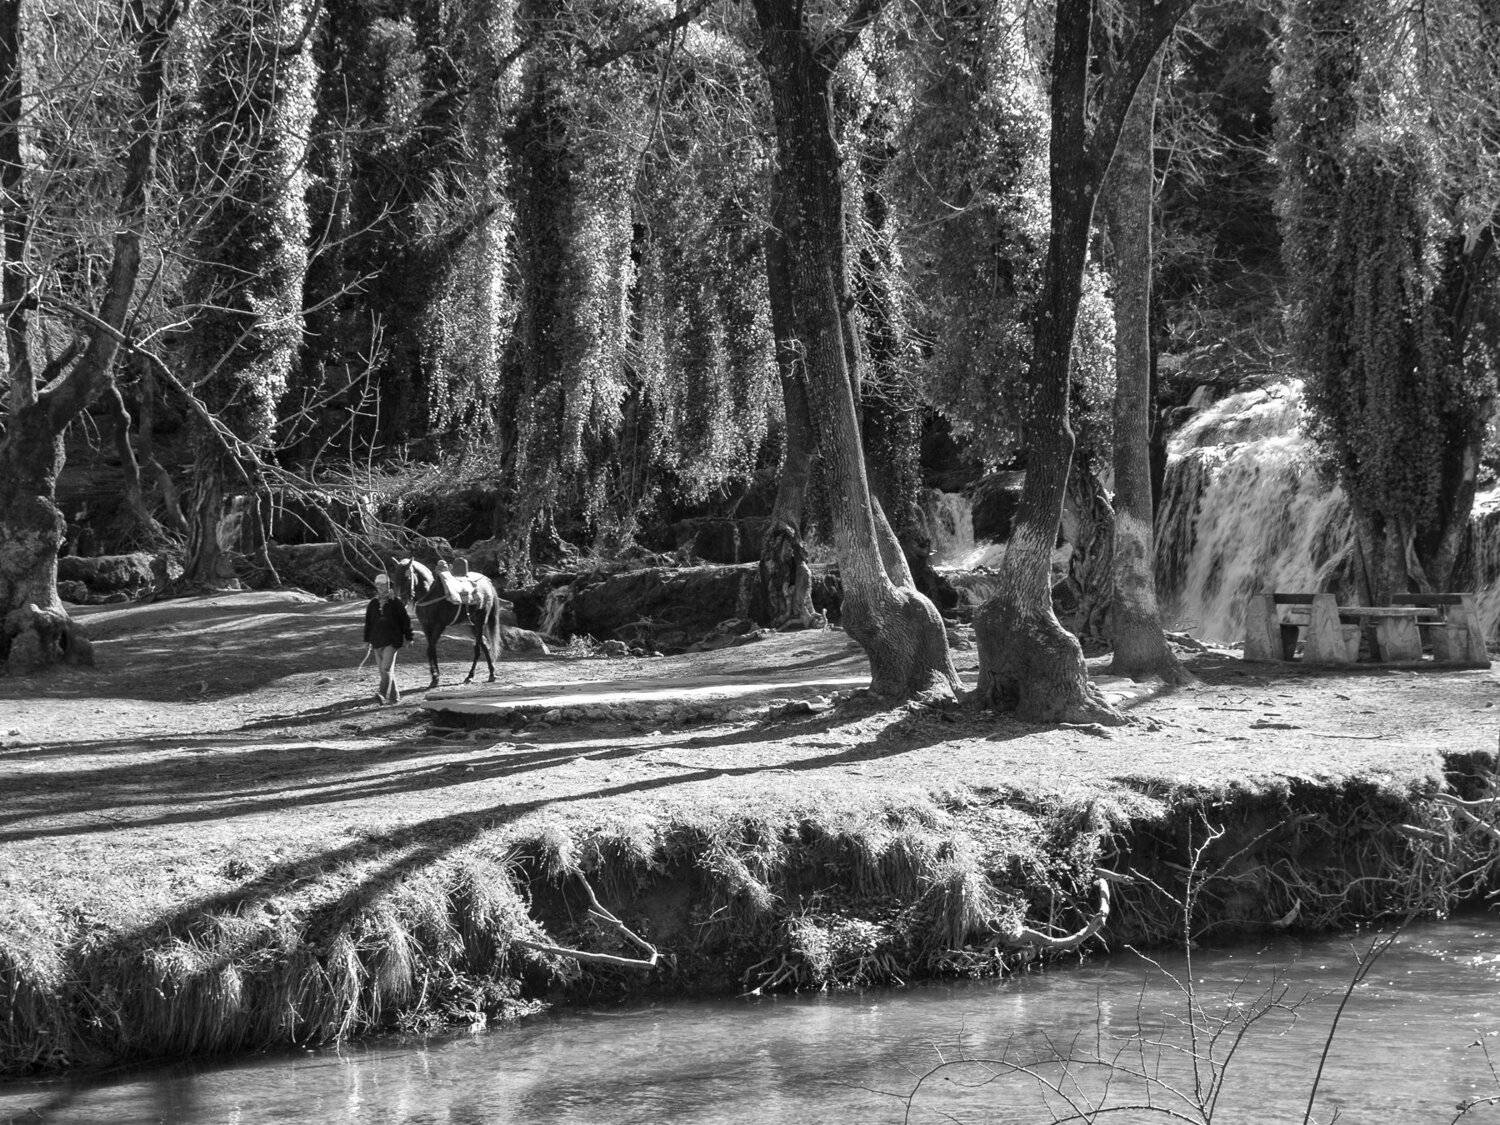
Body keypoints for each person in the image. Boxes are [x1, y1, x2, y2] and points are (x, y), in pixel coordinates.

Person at [363, 573, 414, 704]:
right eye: (378, 585)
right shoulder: (373, 603)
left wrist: (409, 637)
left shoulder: (396, 602)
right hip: (376, 641)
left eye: (383, 584)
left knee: (385, 668)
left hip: (392, 641)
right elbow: (368, 623)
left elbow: (405, 621)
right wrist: (367, 640)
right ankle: (394, 697)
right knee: (384, 672)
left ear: (388, 585)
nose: (380, 587)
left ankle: (381, 693)